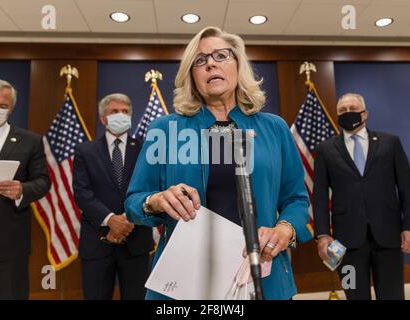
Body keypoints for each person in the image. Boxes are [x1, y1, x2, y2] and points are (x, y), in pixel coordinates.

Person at [125, 26, 312, 300]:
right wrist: (155, 200)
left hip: (261, 275)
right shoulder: (165, 129)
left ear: (238, 65)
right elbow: (133, 202)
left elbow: (296, 200)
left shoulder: (275, 128)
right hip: (186, 279)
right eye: (200, 60)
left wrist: (285, 230)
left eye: (221, 55)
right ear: (192, 75)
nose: (211, 63)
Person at [313, 93, 410, 300]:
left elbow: (407, 187)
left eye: (353, 109)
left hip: (388, 238)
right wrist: (322, 235)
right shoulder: (325, 150)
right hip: (345, 243)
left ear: (365, 114)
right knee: (353, 294)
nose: (348, 113)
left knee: (392, 295)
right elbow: (319, 197)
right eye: (342, 111)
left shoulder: (390, 143)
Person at [0, 78, 50, 299]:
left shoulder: (30, 141)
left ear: (11, 108)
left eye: (2, 106)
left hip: (8, 238)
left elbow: (43, 181)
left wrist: (22, 189)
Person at [73, 93, 153, 300]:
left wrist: (127, 220)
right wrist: (111, 220)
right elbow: (82, 192)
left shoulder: (146, 149)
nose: (121, 115)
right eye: (114, 112)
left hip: (136, 242)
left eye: (125, 112)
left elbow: (151, 187)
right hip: (98, 241)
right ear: (103, 118)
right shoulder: (85, 150)